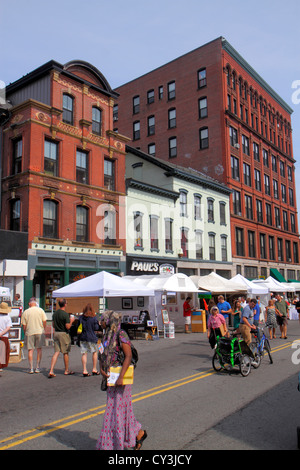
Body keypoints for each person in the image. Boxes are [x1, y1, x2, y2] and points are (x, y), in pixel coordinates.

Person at [96, 310, 147, 450]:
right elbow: (102, 354)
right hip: (111, 378)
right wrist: (101, 369)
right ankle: (137, 433)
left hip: (120, 377)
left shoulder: (121, 334)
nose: (101, 322)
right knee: (118, 411)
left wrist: (121, 377)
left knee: (117, 412)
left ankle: (113, 445)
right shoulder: (106, 335)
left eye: (103, 319)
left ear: (110, 320)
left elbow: (128, 355)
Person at [48, 298, 75, 378]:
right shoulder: (65, 314)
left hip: (56, 333)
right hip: (63, 334)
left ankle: (51, 370)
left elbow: (53, 325)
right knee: (65, 352)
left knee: (56, 351)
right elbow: (68, 327)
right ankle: (66, 370)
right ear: (65, 304)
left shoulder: (55, 314)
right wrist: (71, 321)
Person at [21, 297, 47, 374]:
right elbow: (44, 321)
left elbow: (24, 325)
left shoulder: (26, 312)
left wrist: (25, 331)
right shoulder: (40, 310)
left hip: (29, 332)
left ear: (29, 303)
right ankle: (38, 367)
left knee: (30, 350)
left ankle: (31, 367)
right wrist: (43, 328)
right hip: (39, 331)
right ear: (35, 303)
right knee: (39, 349)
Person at [78, 303, 101, 376]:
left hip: (83, 337)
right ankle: (94, 369)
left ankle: (84, 370)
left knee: (84, 353)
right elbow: (96, 328)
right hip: (92, 337)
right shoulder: (93, 318)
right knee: (94, 352)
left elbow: (78, 327)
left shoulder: (81, 318)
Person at [0, 302, 12, 374]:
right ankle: (0, 366)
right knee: (3, 352)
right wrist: (1, 333)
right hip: (4, 336)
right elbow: (8, 327)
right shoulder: (7, 317)